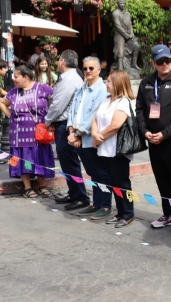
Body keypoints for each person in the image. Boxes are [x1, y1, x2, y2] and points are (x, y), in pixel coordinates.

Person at [136, 44, 171, 231]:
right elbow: (140, 110)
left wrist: (165, 134)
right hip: (154, 141)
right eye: (160, 61)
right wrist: (145, 132)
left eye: (168, 60)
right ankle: (168, 213)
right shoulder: (146, 83)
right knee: (162, 179)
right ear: (154, 63)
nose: (165, 64)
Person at [0, 65, 55, 198]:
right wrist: (11, 116)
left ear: (25, 77)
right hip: (19, 135)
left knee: (40, 158)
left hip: (39, 134)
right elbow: (2, 103)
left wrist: (52, 120)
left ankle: (42, 185)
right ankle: (27, 187)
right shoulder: (13, 92)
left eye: (16, 76)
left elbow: (57, 100)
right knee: (24, 159)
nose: (14, 79)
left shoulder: (42, 88)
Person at [66, 57, 112, 220]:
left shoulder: (102, 90)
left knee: (102, 173)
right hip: (78, 138)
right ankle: (96, 204)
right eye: (85, 68)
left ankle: (105, 205)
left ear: (99, 69)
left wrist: (77, 134)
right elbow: (72, 110)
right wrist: (71, 130)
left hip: (93, 139)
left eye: (91, 68)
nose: (88, 71)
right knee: (92, 173)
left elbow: (94, 115)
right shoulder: (82, 88)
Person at [45, 50, 90, 211]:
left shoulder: (69, 79)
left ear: (63, 61)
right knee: (66, 162)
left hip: (66, 125)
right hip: (65, 124)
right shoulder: (69, 78)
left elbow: (58, 105)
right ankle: (74, 192)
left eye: (58, 60)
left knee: (70, 162)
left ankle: (80, 196)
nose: (57, 63)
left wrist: (47, 121)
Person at [91, 70, 137, 228]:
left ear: (117, 83)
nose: (106, 83)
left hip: (117, 150)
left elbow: (115, 125)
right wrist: (94, 133)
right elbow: (96, 118)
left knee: (123, 183)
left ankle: (128, 213)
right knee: (113, 182)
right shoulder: (106, 99)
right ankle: (120, 213)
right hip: (104, 149)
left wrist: (99, 137)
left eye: (109, 81)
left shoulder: (124, 102)